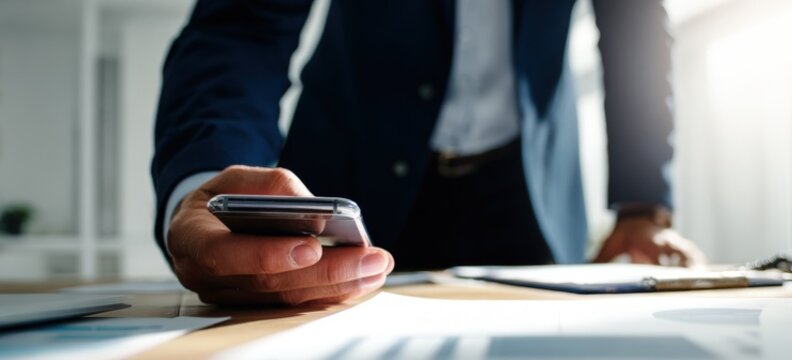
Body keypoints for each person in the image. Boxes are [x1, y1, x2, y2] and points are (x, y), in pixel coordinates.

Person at [152, 0, 706, 306]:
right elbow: (244, 25)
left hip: (527, 195)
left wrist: (642, 203)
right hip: (346, 198)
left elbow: (633, 19)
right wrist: (213, 186)